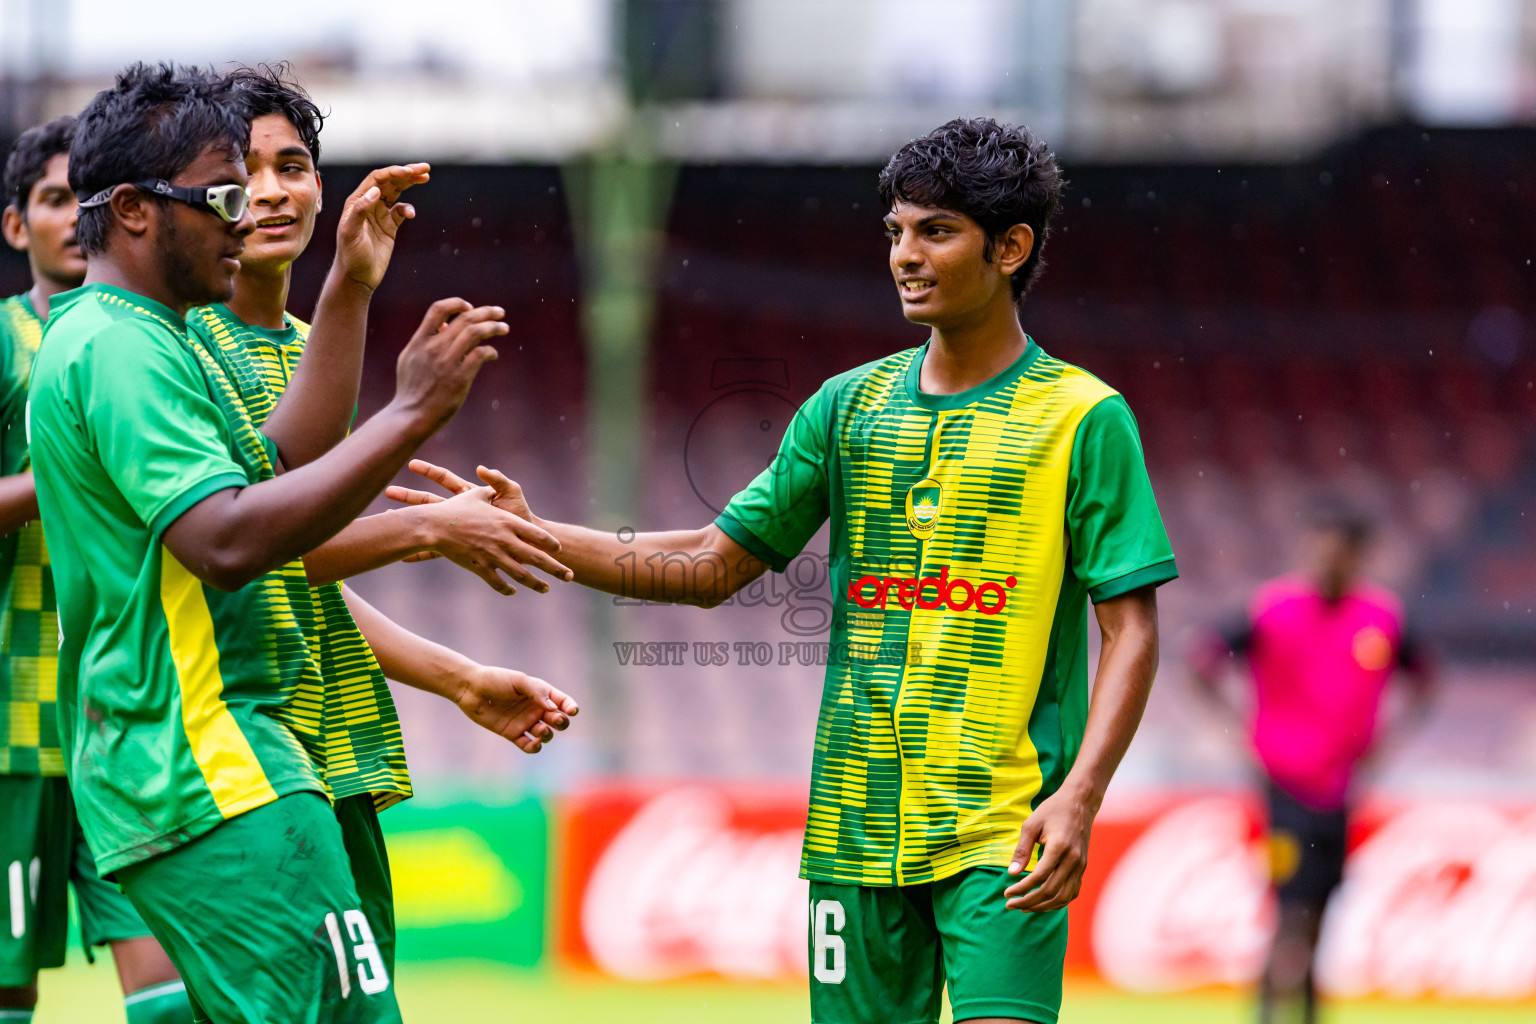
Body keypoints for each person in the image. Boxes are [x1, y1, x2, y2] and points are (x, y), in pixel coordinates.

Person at [398, 117, 1177, 1024]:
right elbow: (710, 564)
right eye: (895, 232)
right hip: (853, 829)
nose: (904, 257)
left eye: (936, 232)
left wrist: (1079, 796)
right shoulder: (847, 407)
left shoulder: (1084, 418)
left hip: (1004, 826)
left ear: (1010, 248)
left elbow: (1131, 629)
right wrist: (537, 534)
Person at [27, 63, 499, 1023]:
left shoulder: (139, 336)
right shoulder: (121, 349)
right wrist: (408, 419)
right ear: (133, 211)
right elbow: (231, 539)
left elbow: (279, 459)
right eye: (224, 197)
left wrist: (353, 291)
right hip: (212, 760)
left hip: (207, 760)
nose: (244, 220)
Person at [187, 64, 578, 980]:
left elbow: (305, 573)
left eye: (293, 165)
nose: (273, 192)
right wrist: (432, 529)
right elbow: (245, 547)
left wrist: (460, 679)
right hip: (248, 756)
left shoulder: (299, 349)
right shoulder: (178, 348)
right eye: (245, 171)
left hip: (327, 746)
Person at [0, 117, 193, 1024]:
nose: (71, 217)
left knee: (169, 986)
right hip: (19, 720)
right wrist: (61, 477)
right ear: (17, 226)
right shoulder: (7, 341)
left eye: (84, 197)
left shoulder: (154, 346)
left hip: (125, 714)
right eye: (50, 199)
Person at [1190, 501, 1434, 1024]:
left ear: (1359, 556)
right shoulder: (1271, 610)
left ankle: (1297, 1012)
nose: (1326, 560)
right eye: (1319, 546)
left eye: (1338, 550)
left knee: (1316, 914)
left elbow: (1425, 680)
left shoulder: (1381, 619)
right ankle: (1275, 1014)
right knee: (1294, 913)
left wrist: (1387, 740)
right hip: (1283, 787)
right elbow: (1201, 661)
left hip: (1340, 789)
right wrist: (1238, 733)